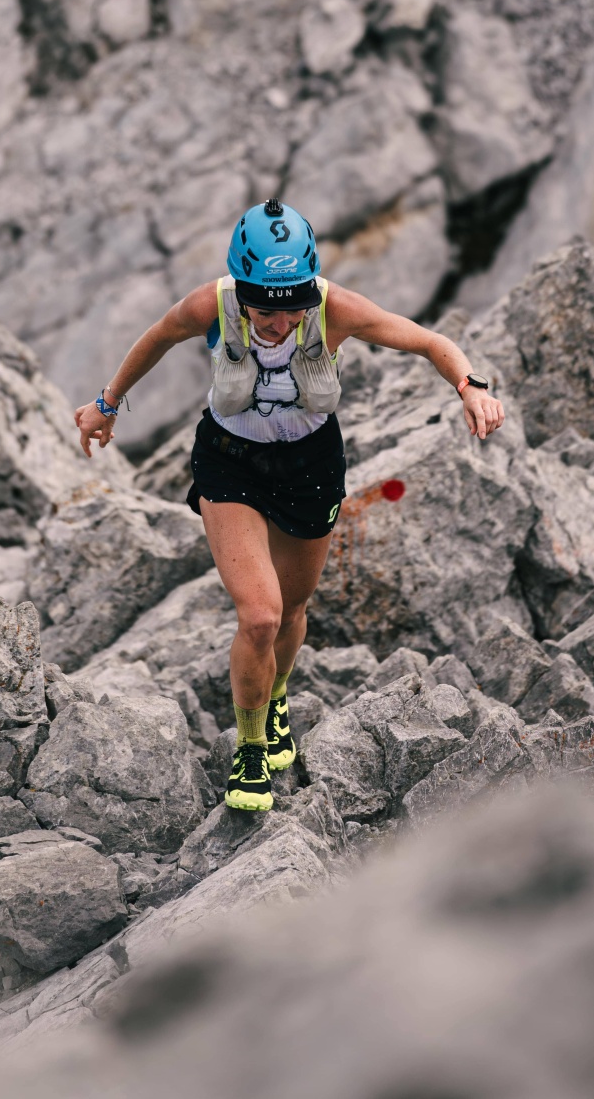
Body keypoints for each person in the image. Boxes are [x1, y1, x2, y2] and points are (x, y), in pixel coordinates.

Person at [74, 199, 504, 812]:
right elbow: (159, 337)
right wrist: (106, 404)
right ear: (242, 292)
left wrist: (471, 386)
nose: (278, 323)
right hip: (230, 461)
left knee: (294, 607)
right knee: (261, 616)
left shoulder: (335, 309)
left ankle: (275, 696)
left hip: (310, 465)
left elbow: (429, 341)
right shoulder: (211, 306)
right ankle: (251, 749)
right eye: (264, 309)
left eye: (292, 306)